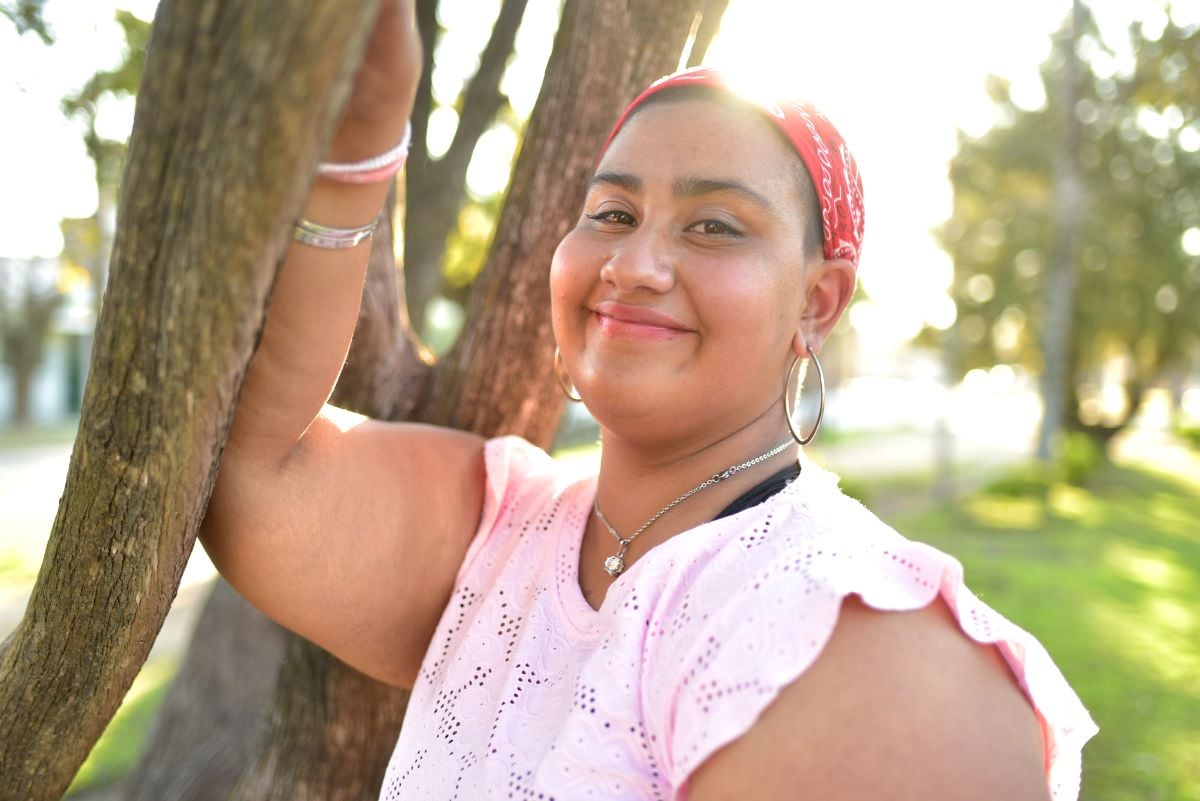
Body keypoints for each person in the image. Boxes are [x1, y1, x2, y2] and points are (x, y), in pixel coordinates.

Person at [200, 3, 1097, 799]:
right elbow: (239, 469)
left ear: (817, 303)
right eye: (613, 213)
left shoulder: (851, 641)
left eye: (714, 226)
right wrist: (358, 140)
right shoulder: (499, 529)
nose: (634, 265)